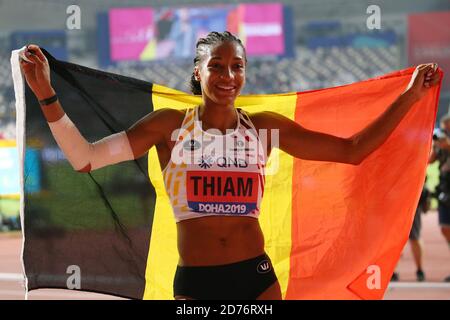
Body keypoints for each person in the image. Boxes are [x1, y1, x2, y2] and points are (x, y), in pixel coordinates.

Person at [19, 31, 441, 299]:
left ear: (245, 74)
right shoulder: (169, 127)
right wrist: (46, 95)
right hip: (195, 284)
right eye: (216, 66)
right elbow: (85, 159)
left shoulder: (265, 130)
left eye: (236, 66)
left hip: (256, 280)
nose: (227, 75)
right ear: (198, 73)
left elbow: (353, 150)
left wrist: (409, 96)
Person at [391, 178, 431, 282]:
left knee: (414, 237)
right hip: (394, 195)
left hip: (411, 194)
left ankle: (420, 269)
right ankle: (391, 271)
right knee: (393, 240)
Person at [429, 114, 450, 282]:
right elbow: (428, 161)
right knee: (445, 228)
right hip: (444, 191)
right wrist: (434, 146)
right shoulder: (441, 146)